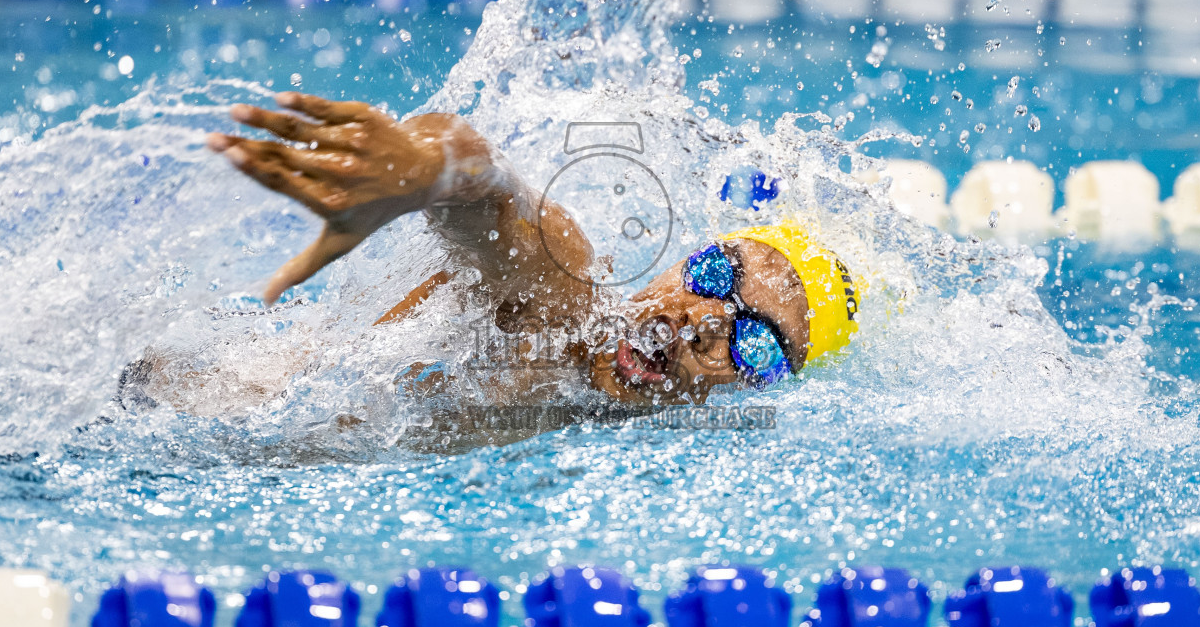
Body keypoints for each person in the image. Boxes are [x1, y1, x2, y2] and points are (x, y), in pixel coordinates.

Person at [174, 91, 863, 447]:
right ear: (683, 259)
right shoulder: (564, 299)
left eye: (756, 341)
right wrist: (423, 170)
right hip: (183, 406)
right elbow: (493, 187)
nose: (706, 321)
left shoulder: (609, 428)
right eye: (715, 275)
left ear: (764, 386)